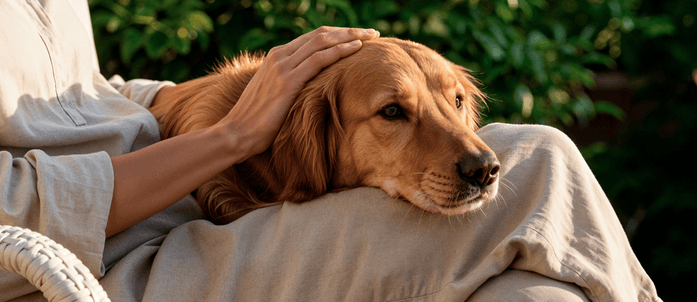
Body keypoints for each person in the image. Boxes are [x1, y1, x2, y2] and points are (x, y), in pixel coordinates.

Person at [0, 0, 661, 301]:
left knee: (530, 294)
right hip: (105, 266)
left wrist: (218, 97)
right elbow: (12, 210)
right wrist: (230, 136)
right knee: (537, 161)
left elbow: (74, 95)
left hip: (171, 212)